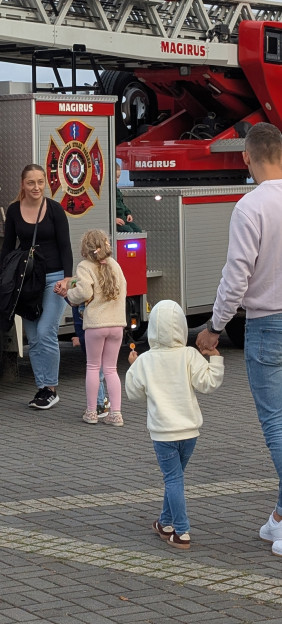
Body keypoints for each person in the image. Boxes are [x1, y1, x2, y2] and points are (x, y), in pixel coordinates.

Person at [196, 121, 282, 557]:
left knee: (276, 425)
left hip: (267, 325)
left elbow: (236, 277)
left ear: (247, 157)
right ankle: (278, 519)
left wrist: (214, 327)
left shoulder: (250, 208)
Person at [127, 299, 224, 550]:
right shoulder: (189, 355)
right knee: (176, 478)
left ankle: (182, 531)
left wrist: (133, 366)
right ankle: (165, 522)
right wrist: (216, 360)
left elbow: (134, 393)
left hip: (162, 432)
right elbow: (208, 384)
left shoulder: (146, 360)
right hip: (190, 431)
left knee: (173, 479)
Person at [0, 163, 73, 410]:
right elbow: (8, 249)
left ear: (46, 183)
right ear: (23, 184)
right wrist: (4, 283)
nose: (36, 187)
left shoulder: (54, 210)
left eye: (40, 182)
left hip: (54, 278)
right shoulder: (13, 211)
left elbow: (65, 247)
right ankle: (42, 388)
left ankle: (51, 388)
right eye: (31, 182)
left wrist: (67, 278)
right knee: (33, 337)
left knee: (45, 332)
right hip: (26, 282)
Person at [56, 229, 127, 426]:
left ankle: (91, 412)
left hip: (96, 324)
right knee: (111, 369)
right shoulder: (115, 265)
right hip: (116, 324)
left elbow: (84, 292)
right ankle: (116, 414)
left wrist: (68, 294)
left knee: (93, 367)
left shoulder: (84, 266)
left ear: (85, 248)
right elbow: (124, 287)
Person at [71, 303, 110, 418]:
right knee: (100, 370)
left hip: (92, 333)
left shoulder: (88, 293)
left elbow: (94, 323)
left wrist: (81, 339)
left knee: (97, 371)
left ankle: (100, 405)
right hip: (91, 333)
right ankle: (102, 400)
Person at [116, 162, 142, 232]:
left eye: (118, 177)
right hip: (116, 222)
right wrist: (113, 219)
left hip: (123, 219)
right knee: (128, 231)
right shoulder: (108, 193)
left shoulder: (117, 191)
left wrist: (128, 213)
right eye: (115, 177)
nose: (116, 179)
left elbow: (122, 204)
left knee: (137, 230)